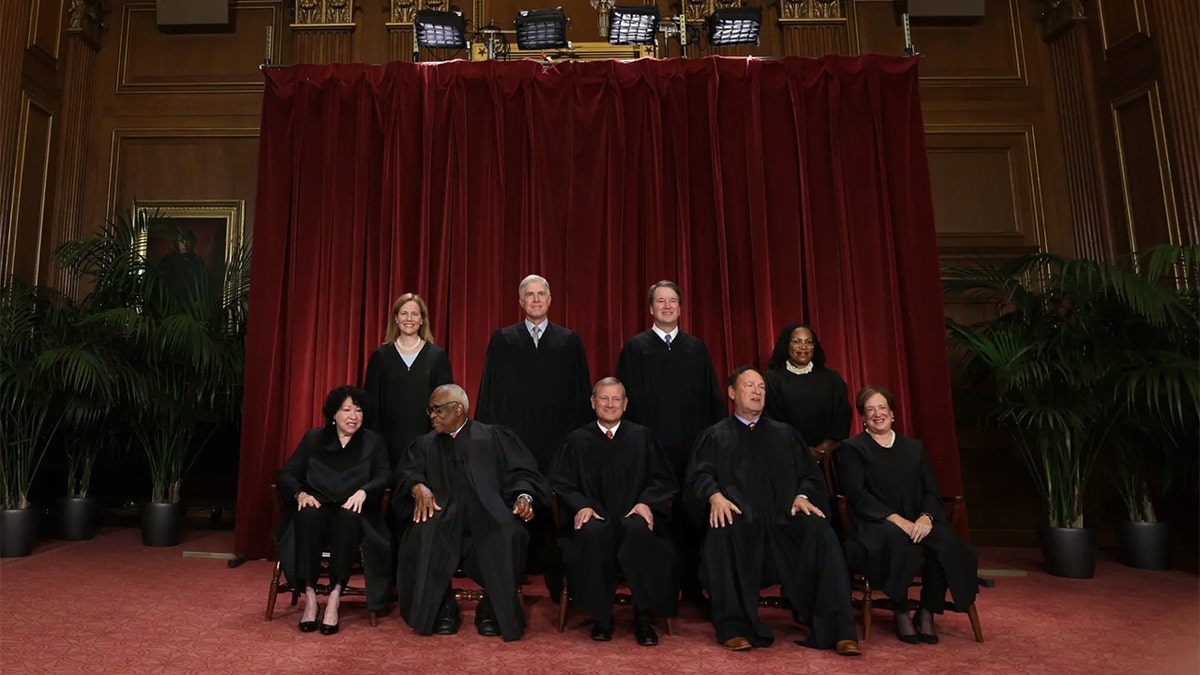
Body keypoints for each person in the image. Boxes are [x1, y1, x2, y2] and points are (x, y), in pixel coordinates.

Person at [685, 367, 860, 656]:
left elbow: (809, 475)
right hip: (740, 520)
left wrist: (803, 495)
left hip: (784, 519)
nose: (757, 392)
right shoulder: (715, 436)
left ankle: (837, 630)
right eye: (749, 386)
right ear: (731, 393)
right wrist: (714, 496)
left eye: (761, 387)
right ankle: (735, 627)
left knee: (820, 532)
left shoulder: (785, 434)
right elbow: (698, 476)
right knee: (722, 531)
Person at [395, 384, 550, 642]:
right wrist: (416, 486)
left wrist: (524, 496)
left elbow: (523, 472)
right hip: (442, 514)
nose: (432, 416)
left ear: (458, 409)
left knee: (509, 531)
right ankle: (440, 606)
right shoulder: (424, 444)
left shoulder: (494, 437)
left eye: (437, 410)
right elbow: (407, 472)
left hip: (488, 514)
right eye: (430, 410)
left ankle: (493, 606)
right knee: (423, 530)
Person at [475, 274, 592, 599]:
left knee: (556, 508)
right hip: (515, 442)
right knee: (515, 503)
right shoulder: (503, 340)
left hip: (558, 442)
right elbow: (490, 393)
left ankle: (561, 581)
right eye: (530, 294)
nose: (536, 299)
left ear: (551, 299)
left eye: (542, 294)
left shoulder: (569, 341)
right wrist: (488, 439)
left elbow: (581, 394)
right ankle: (512, 577)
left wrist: (580, 442)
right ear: (521, 301)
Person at [838, 385, 979, 644]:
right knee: (897, 541)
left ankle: (927, 611)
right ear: (863, 417)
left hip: (918, 519)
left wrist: (926, 517)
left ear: (893, 413)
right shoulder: (853, 448)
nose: (877, 414)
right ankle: (901, 610)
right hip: (877, 522)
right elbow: (857, 494)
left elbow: (930, 489)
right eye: (870, 410)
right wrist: (896, 519)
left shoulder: (914, 448)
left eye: (882, 408)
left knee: (948, 545)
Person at [615, 280, 724, 603]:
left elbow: (712, 401)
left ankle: (692, 585)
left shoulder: (696, 349)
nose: (666, 306)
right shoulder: (635, 348)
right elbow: (623, 402)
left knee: (691, 518)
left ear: (680, 307)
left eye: (672, 301)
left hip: (691, 450)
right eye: (660, 301)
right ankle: (652, 590)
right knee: (652, 516)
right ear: (650, 308)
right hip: (649, 451)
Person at [549, 377, 678, 646]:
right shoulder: (576, 440)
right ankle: (602, 617)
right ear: (593, 402)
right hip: (596, 516)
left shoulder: (642, 437)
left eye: (616, 399)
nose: (610, 404)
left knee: (638, 531)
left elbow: (663, 480)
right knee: (593, 534)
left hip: (633, 515)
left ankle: (643, 617)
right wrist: (581, 506)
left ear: (625, 404)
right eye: (604, 398)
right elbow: (561, 483)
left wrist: (646, 503)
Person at [274, 385, 392, 636]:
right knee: (307, 515)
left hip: (353, 508)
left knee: (347, 520)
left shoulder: (373, 441)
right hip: (318, 504)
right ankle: (310, 597)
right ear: (333, 414)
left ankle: (335, 596)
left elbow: (384, 475)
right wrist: (300, 494)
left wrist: (365, 491)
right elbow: (287, 474)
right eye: (347, 410)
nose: (353, 416)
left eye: (358, 410)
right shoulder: (313, 438)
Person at [364, 292, 454, 469]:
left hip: (428, 444)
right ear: (396, 318)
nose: (409, 319)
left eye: (415, 314)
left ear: (422, 320)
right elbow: (371, 405)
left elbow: (446, 403)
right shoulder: (380, 357)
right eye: (404, 313)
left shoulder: (437, 356)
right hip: (387, 446)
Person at [763, 323, 852, 461]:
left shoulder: (832, 379)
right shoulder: (772, 380)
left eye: (808, 342)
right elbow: (773, 420)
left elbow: (842, 415)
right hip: (788, 457)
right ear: (787, 344)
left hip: (829, 459)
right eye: (796, 341)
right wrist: (802, 450)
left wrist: (828, 444)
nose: (803, 347)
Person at [156, 229, 206, 300]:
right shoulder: (168, 260)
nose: (185, 244)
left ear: (192, 243)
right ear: (177, 243)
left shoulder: (198, 261)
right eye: (182, 241)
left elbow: (202, 285)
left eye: (187, 241)